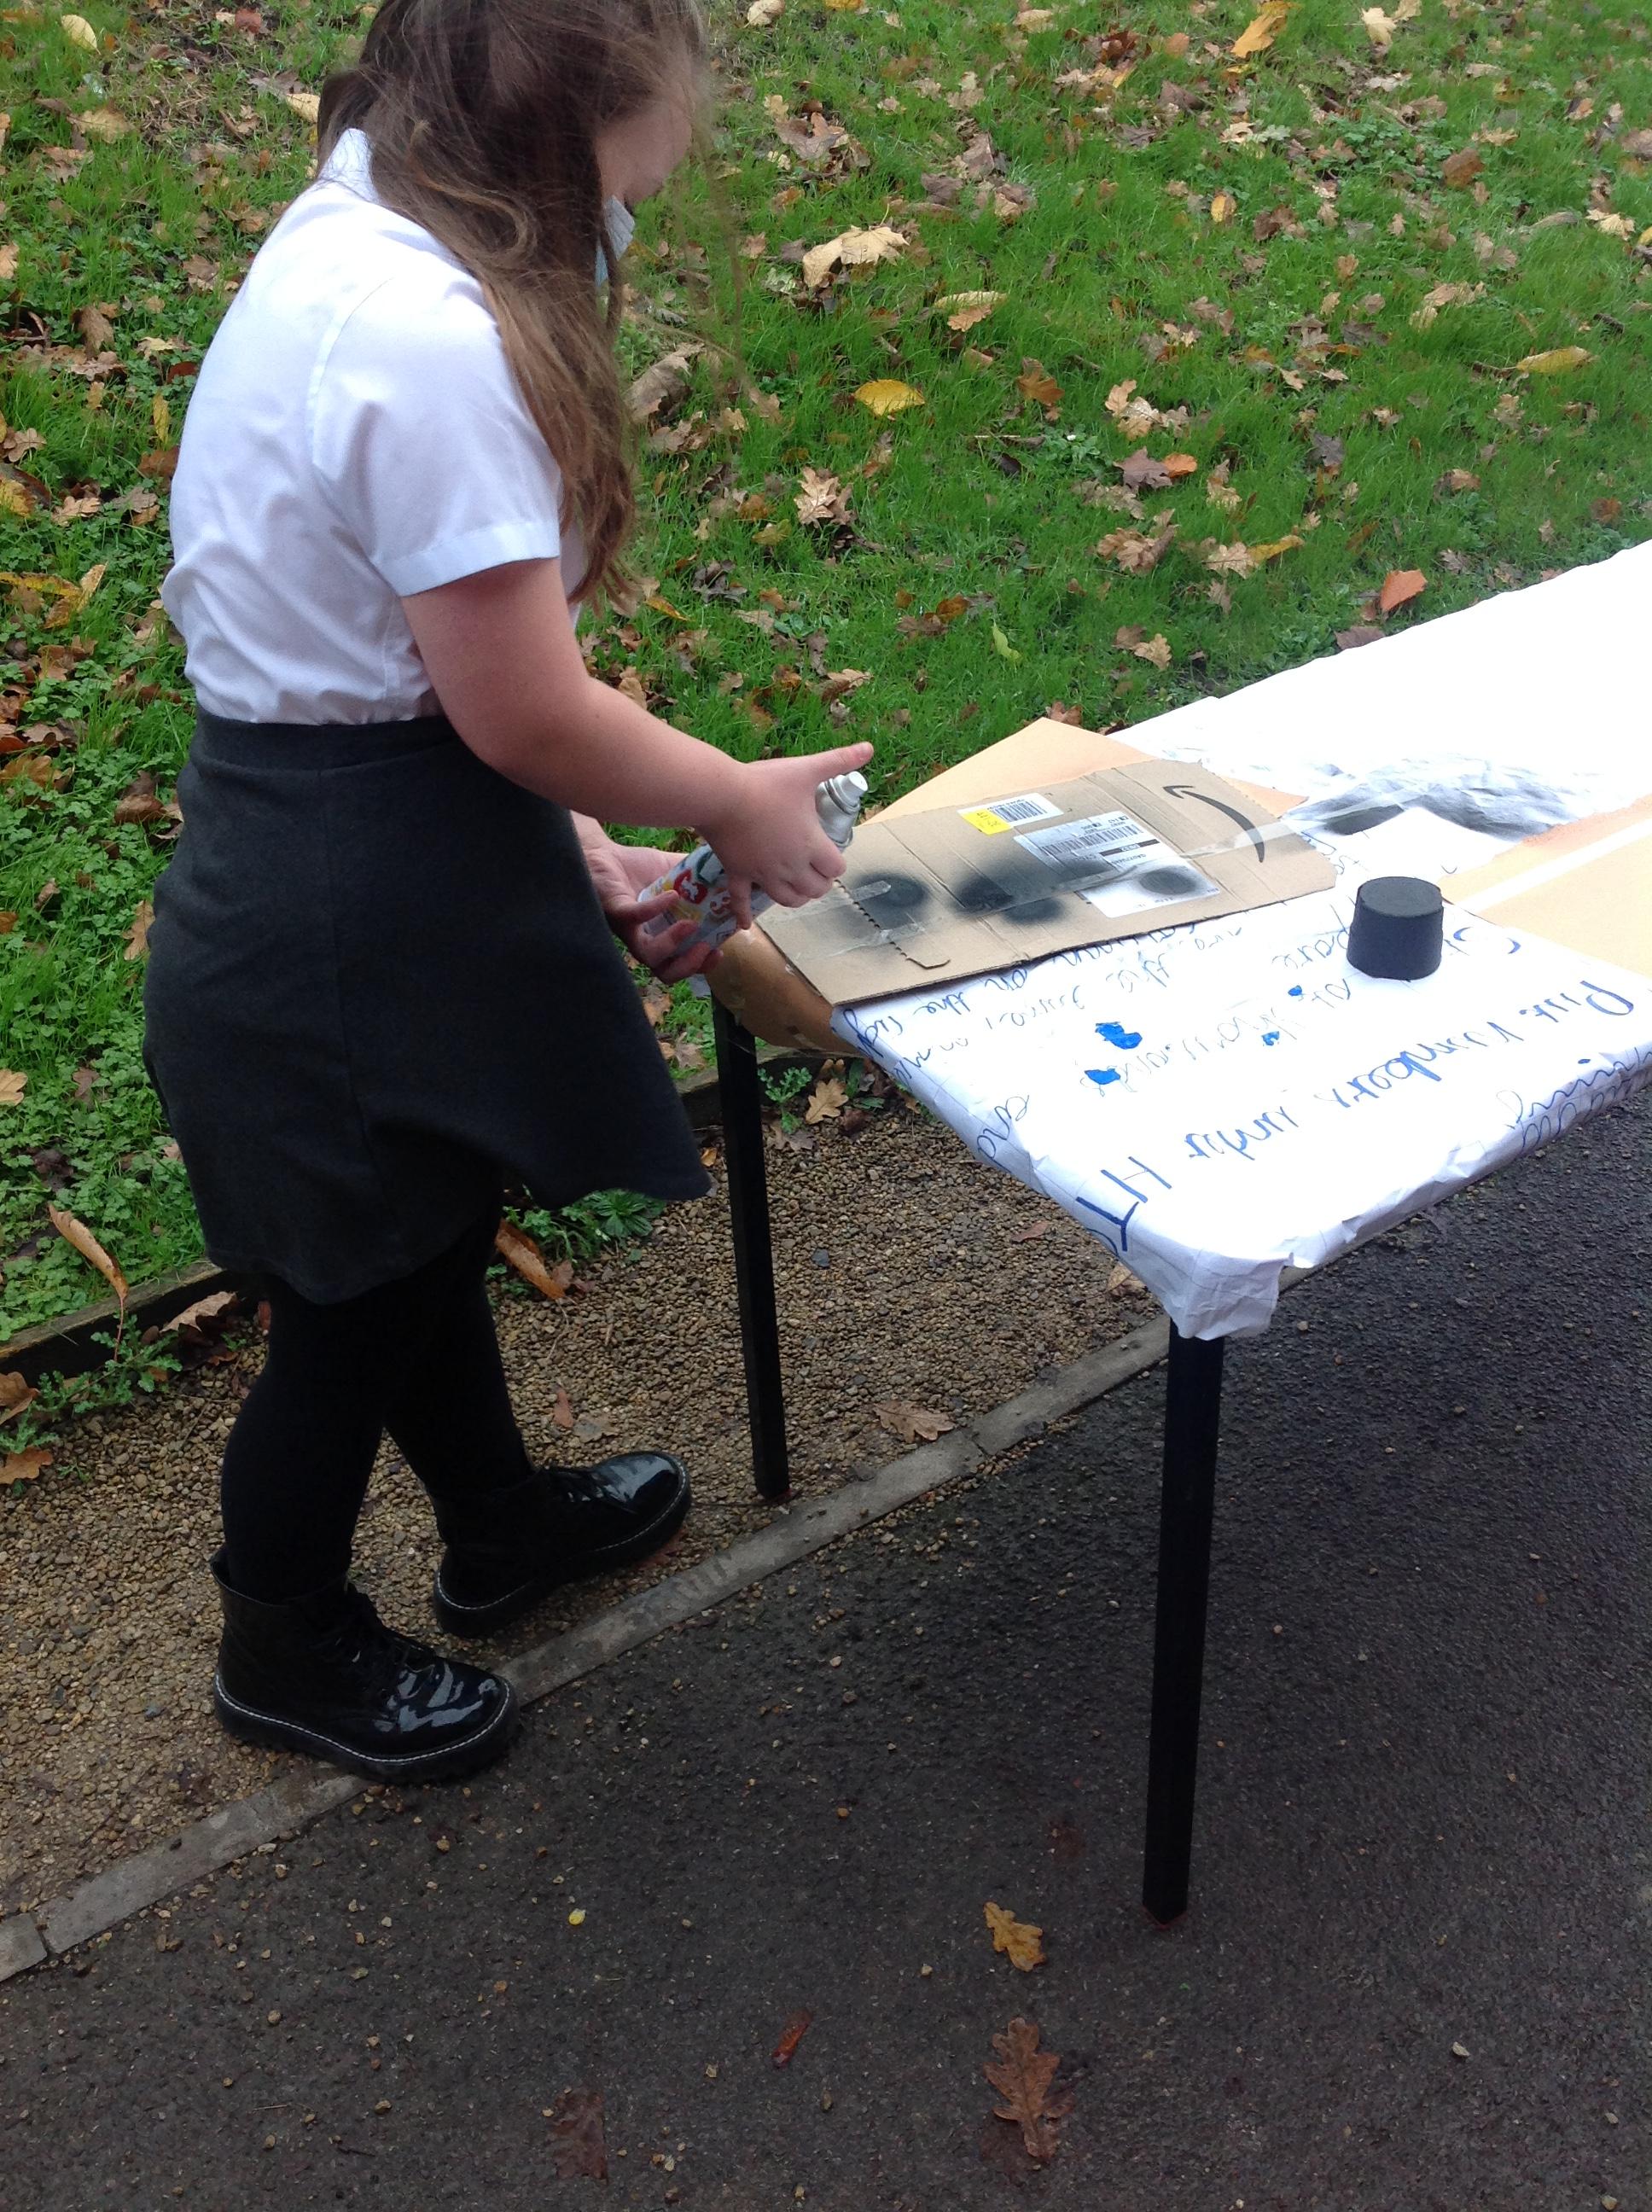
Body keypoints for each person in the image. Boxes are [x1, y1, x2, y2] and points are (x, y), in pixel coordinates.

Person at [143, 0, 871, 1784]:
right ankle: (279, 1635)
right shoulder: (428, 343)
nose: (630, 223)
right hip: (338, 920)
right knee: (353, 1310)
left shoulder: (360, 226)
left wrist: (561, 842)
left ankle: (494, 1527)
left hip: (354, 846)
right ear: (555, 141)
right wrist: (730, 802)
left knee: (421, 1238)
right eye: (630, 185)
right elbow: (524, 708)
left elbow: (400, 664)